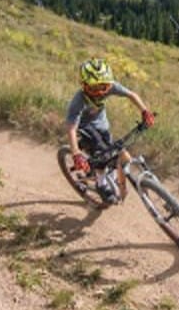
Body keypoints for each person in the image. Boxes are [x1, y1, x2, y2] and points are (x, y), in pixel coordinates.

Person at [66, 58, 155, 204]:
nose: (99, 92)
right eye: (93, 88)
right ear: (83, 85)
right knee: (102, 154)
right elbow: (71, 127)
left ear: (109, 83)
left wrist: (145, 111)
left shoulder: (110, 86)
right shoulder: (79, 100)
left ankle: (110, 176)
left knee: (113, 152)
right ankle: (101, 184)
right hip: (85, 127)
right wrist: (76, 153)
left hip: (102, 125)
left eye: (103, 87)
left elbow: (131, 94)